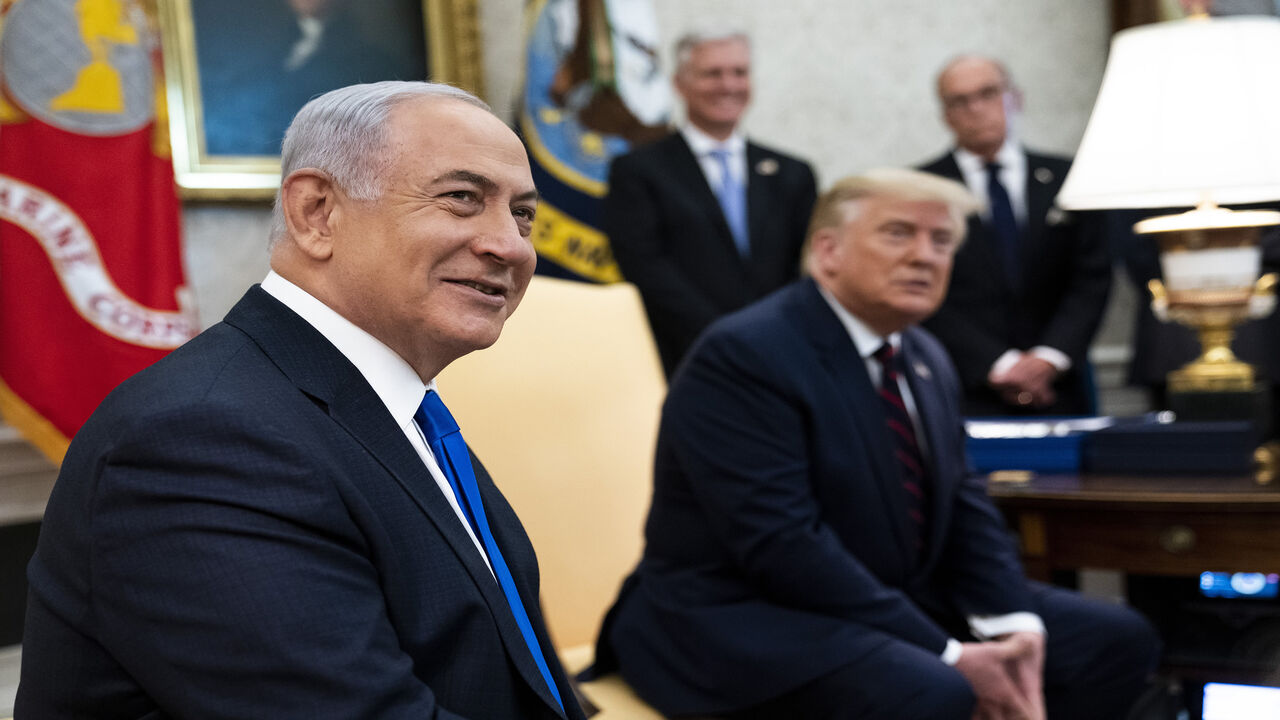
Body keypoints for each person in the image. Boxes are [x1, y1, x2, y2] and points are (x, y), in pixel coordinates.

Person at [17, 81, 585, 720]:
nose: (510, 245)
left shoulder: (393, 409)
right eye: (462, 198)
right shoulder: (202, 439)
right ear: (317, 212)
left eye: (523, 214)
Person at [591, 169, 1158, 719]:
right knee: (932, 688)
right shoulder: (745, 353)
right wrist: (952, 653)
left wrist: (1016, 625)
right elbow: (782, 543)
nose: (925, 255)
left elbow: (962, 502)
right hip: (735, 614)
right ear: (828, 251)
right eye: (898, 233)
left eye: (941, 240)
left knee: (1114, 640)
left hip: (880, 596)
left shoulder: (924, 355)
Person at [604, 27, 817, 378]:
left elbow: (808, 263)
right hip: (685, 356)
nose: (728, 85)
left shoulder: (793, 173)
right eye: (712, 73)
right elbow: (645, 266)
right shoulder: (638, 171)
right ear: (679, 84)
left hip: (783, 350)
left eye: (739, 72)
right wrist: (726, 337)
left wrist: (775, 332)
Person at [919, 55, 1111, 416]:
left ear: (1015, 98)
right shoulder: (923, 189)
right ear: (945, 114)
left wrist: (1048, 358)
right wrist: (998, 364)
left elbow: (1092, 280)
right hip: (965, 382)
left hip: (1061, 383)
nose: (975, 109)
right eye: (959, 101)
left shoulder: (1069, 178)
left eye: (988, 93)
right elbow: (922, 287)